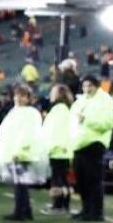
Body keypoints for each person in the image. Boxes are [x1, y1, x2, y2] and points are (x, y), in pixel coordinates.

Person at [0, 85, 49, 221]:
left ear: (28, 98)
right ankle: (26, 211)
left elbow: (29, 134)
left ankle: (20, 212)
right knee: (19, 183)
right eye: (17, 95)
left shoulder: (30, 113)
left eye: (22, 96)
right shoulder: (16, 111)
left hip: (22, 152)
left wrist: (19, 149)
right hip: (15, 151)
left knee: (21, 184)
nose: (18, 98)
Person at [70, 76, 113, 222]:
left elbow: (108, 123)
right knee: (82, 181)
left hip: (95, 144)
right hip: (79, 144)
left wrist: (86, 120)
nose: (86, 89)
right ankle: (86, 209)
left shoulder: (106, 101)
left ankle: (96, 212)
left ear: (96, 86)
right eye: (84, 86)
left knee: (93, 180)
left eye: (89, 85)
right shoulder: (81, 101)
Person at [41, 84, 75, 215]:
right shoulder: (66, 109)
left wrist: (50, 146)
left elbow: (54, 131)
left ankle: (58, 205)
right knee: (64, 179)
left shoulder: (58, 110)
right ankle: (65, 205)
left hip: (58, 149)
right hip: (64, 149)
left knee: (58, 179)